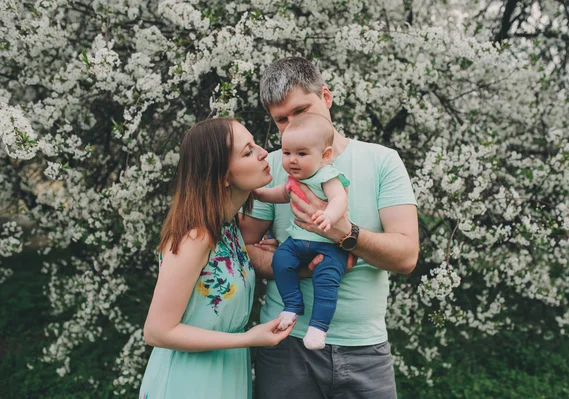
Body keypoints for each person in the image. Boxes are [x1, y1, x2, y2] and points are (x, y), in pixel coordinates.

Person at [239, 57, 419, 398]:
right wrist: (304, 269)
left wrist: (345, 235)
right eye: (281, 119)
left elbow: (407, 256)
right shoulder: (273, 166)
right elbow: (243, 249)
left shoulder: (382, 161)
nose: (294, 124)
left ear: (326, 97)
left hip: (365, 348)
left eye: (301, 109)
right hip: (285, 342)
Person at [139, 118, 294, 399]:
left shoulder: (229, 226)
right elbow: (157, 331)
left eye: (256, 144)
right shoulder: (196, 236)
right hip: (190, 379)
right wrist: (248, 338)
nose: (263, 153)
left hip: (228, 370)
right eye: (247, 152)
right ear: (222, 175)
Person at [253, 113, 350, 350]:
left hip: (329, 245)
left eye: (302, 154)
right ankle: (292, 304)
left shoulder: (327, 175)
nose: (292, 160)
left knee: (326, 281)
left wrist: (328, 216)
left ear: (324, 156)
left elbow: (339, 199)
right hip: (297, 240)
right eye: (287, 153)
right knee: (280, 262)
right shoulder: (292, 179)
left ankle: (318, 328)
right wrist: (257, 193)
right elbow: (279, 194)